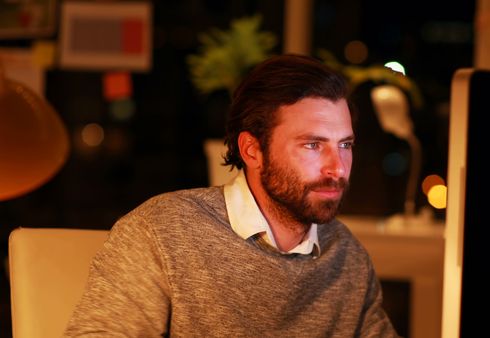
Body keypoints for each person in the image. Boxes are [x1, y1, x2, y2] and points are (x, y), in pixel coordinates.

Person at [64, 54, 399, 337]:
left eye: (345, 145)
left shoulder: (346, 256)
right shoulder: (163, 232)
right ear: (252, 150)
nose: (337, 168)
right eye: (313, 145)